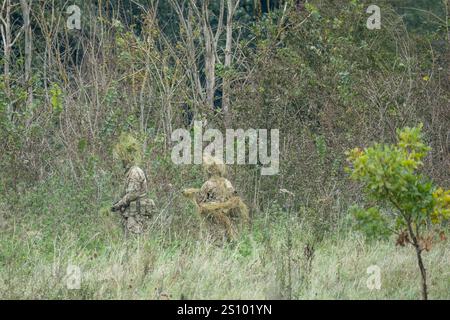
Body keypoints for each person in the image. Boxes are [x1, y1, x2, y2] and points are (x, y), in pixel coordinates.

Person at [183, 154, 249, 240]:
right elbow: (233, 193)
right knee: (226, 229)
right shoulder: (226, 182)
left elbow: (201, 199)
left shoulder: (208, 184)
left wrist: (192, 195)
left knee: (217, 232)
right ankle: (230, 240)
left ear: (209, 170)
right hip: (224, 211)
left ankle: (224, 241)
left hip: (213, 212)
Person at [111, 134, 156, 235]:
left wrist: (119, 204)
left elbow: (133, 194)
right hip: (133, 211)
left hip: (136, 212)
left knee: (136, 238)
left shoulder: (134, 172)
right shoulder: (130, 172)